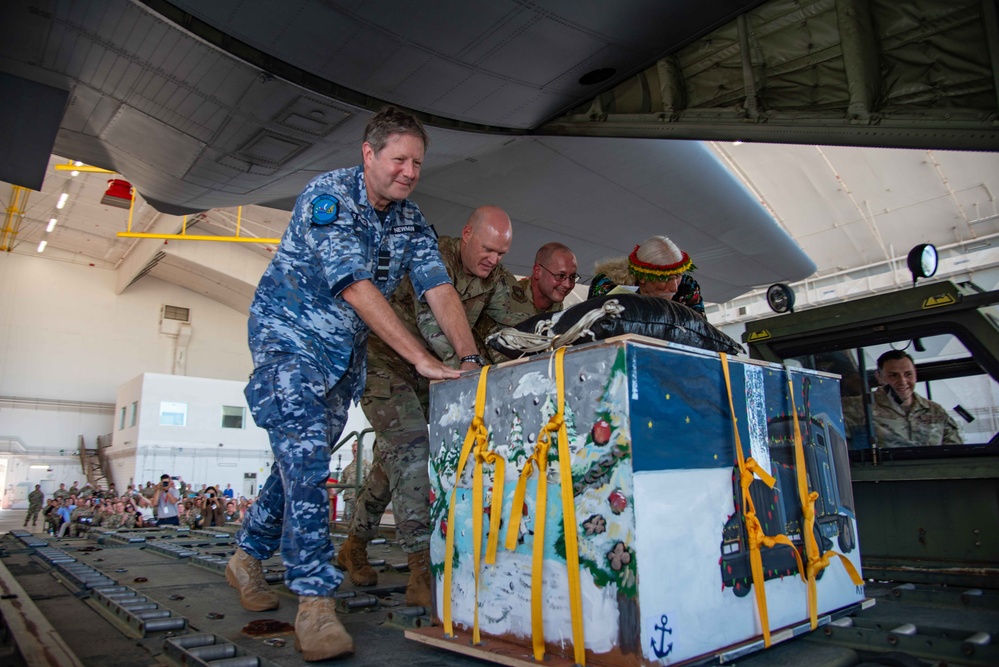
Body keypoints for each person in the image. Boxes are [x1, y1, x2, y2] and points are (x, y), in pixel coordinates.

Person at [227, 106, 480, 662]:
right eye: (398, 159)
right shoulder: (330, 198)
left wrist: (470, 358)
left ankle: (246, 554)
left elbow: (438, 288)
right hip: (288, 341)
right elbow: (355, 286)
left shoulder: (411, 220)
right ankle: (315, 602)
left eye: (417, 162)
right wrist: (419, 358)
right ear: (368, 154)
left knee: (299, 461)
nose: (409, 172)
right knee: (308, 456)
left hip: (343, 357)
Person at [338, 206, 523, 609]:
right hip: (385, 360)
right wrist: (473, 372)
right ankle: (421, 565)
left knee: (394, 463)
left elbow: (519, 320)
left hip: (433, 374)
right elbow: (432, 323)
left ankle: (354, 544)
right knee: (412, 449)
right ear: (467, 234)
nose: (494, 260)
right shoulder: (434, 255)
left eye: (502, 254)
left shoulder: (495, 280)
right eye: (489, 249)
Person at [477, 241, 578, 363]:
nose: (567, 284)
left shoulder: (557, 310)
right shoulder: (505, 297)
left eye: (572, 277)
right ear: (537, 271)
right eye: (560, 276)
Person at [845, 350, 963, 448]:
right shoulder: (856, 407)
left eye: (908, 374)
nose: (902, 381)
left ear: (915, 374)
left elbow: (956, 453)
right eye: (893, 375)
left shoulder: (935, 411)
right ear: (879, 377)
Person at [588, 235, 704, 313]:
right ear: (642, 276)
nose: (674, 287)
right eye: (665, 278)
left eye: (678, 276)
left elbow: (701, 330)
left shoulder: (687, 286)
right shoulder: (607, 284)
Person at [338, 440, 361, 522]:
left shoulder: (366, 465)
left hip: (360, 499)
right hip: (349, 498)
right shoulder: (348, 468)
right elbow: (342, 482)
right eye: (353, 446)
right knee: (348, 521)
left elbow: (370, 481)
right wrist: (335, 490)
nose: (354, 448)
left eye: (357, 446)